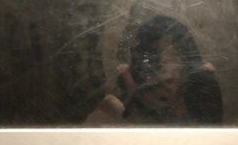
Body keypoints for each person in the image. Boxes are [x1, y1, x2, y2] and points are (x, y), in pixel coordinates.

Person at [85, 15, 222, 126]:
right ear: (139, 70)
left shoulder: (201, 95)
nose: (167, 71)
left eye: (174, 55)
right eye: (153, 60)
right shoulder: (115, 109)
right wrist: (130, 101)